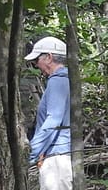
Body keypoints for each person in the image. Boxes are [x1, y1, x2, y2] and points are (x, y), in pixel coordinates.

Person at [25, 36, 73, 190]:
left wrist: (32, 152)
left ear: (49, 57)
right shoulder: (65, 79)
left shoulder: (58, 81)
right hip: (57, 155)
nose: (36, 65)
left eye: (36, 60)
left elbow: (54, 119)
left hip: (57, 159)